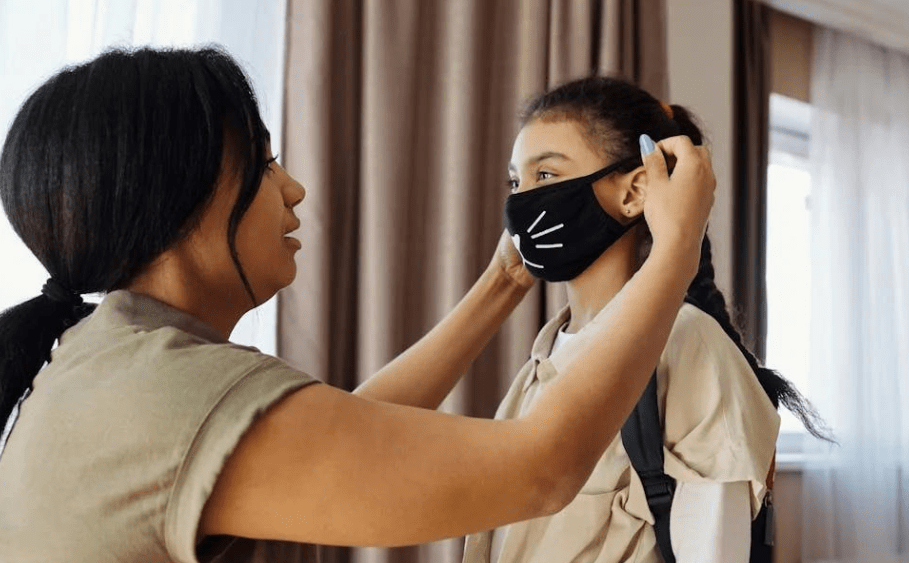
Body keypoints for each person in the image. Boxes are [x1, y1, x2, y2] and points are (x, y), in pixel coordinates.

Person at [0, 48, 715, 562]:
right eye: (262, 162)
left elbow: (356, 427)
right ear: (175, 200)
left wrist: (502, 283)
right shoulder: (166, 395)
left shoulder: (112, 365)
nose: (293, 189)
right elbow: (543, 467)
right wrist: (677, 246)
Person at [463, 76, 830, 563]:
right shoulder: (545, 355)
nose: (520, 204)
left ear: (635, 191)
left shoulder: (689, 345)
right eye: (516, 181)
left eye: (545, 177)